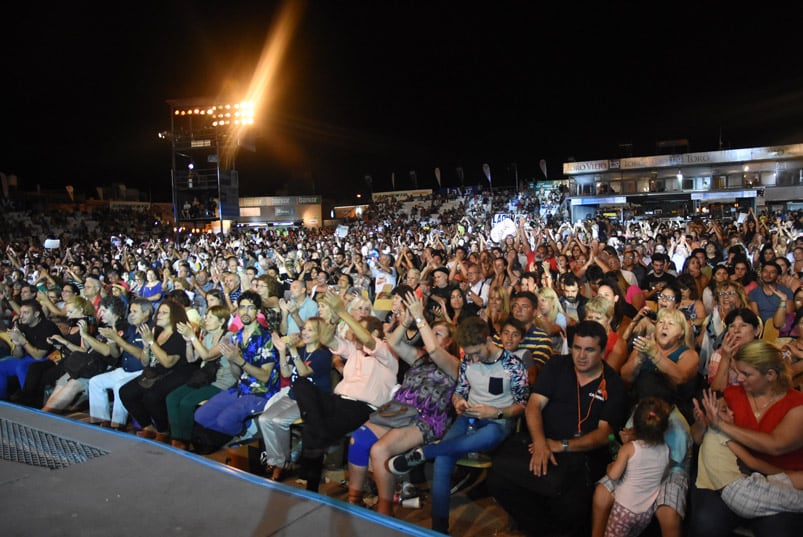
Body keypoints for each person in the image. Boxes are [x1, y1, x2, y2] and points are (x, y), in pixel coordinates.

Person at [388, 314, 528, 533]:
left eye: (476, 353)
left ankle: (426, 452)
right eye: (468, 354)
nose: (472, 359)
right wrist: (459, 401)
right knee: (444, 460)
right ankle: (439, 528)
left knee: (489, 436)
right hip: (469, 416)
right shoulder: (468, 362)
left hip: (498, 421)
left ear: (488, 341)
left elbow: (522, 405)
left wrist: (497, 412)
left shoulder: (513, 365)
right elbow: (460, 390)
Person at [486, 320, 627, 537]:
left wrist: (560, 446)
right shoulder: (557, 365)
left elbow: (603, 435)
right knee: (498, 479)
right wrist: (541, 443)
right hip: (542, 443)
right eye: (577, 347)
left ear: (601, 352)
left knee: (570, 504)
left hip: (582, 456)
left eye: (589, 350)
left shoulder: (613, 384)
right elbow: (533, 405)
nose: (580, 355)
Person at [346, 293, 460, 517]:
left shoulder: (455, 365)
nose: (431, 336)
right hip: (399, 412)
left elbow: (436, 352)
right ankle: (354, 501)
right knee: (358, 440)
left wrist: (420, 319)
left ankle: (384, 510)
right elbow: (394, 341)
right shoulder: (419, 358)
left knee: (380, 451)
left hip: (425, 418)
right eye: (431, 332)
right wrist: (407, 320)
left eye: (438, 334)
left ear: (449, 342)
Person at [689, 341, 803, 536]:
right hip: (737, 475)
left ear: (770, 375)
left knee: (777, 531)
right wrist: (702, 422)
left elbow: (776, 445)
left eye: (747, 374)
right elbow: (698, 438)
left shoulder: (797, 405)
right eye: (737, 372)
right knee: (706, 522)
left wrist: (722, 425)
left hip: (782, 479)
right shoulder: (733, 395)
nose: (739, 379)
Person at [292, 290, 398, 493]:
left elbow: (367, 340)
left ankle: (311, 486)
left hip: (362, 407)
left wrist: (342, 311)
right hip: (337, 400)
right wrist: (332, 316)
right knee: (301, 384)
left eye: (360, 330)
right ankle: (318, 427)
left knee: (312, 431)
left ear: (375, 333)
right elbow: (328, 339)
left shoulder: (387, 355)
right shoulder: (354, 350)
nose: (354, 335)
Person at [193, 291, 280, 446]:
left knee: (225, 420)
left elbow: (265, 376)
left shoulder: (265, 338)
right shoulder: (236, 337)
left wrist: (239, 361)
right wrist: (233, 361)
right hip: (240, 387)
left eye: (250, 308)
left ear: (258, 311)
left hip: (262, 392)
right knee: (201, 416)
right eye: (242, 307)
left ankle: (248, 433)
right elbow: (237, 374)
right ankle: (244, 430)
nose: (245, 312)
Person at [257, 317, 333, 480]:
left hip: (312, 399)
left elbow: (304, 372)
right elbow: (286, 373)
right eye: (304, 329)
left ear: (320, 334)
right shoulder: (301, 351)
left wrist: (292, 351)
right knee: (264, 419)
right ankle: (279, 460)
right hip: (294, 395)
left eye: (310, 330)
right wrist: (282, 352)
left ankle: (281, 464)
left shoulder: (323, 355)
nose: (304, 332)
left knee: (279, 421)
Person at [591, 397, 670, 537]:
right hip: (646, 513)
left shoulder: (629, 449)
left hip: (624, 509)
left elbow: (614, 475)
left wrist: (610, 466)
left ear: (635, 425)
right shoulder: (665, 450)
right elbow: (662, 474)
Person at [119, 300, 194, 442]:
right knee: (126, 392)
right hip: (156, 372)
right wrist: (146, 347)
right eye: (159, 312)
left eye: (164, 313)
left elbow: (167, 362)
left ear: (175, 316)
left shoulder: (179, 335)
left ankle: (164, 430)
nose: (159, 315)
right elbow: (145, 362)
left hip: (178, 373)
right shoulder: (156, 331)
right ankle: (148, 427)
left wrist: (152, 343)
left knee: (151, 396)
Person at [165, 304, 234, 450]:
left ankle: (186, 439)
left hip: (221, 382)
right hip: (205, 378)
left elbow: (207, 356)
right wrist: (189, 342)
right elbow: (192, 358)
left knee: (187, 402)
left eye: (210, 318)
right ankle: (177, 438)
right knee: (172, 398)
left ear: (221, 321)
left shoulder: (228, 337)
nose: (206, 320)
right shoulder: (207, 336)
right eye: (206, 316)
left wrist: (193, 336)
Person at [42, 296, 126, 413]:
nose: (100, 314)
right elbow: (86, 349)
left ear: (115, 311)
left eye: (104, 311)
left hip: (102, 368)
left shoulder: (122, 328)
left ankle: (45, 415)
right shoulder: (103, 326)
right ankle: (44, 413)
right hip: (87, 363)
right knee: (62, 380)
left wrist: (85, 335)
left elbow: (107, 351)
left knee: (73, 384)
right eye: (99, 310)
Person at [88, 298, 153, 430]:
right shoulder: (130, 329)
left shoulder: (150, 329)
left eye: (135, 311)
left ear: (146, 313)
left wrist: (117, 339)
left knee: (119, 386)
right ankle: (100, 421)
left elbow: (142, 356)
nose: (131, 314)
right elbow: (116, 354)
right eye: (130, 311)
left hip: (142, 371)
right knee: (95, 381)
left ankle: (118, 424)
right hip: (125, 370)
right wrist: (112, 341)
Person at [0, 299, 60, 401]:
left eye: (26, 313)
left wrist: (22, 340)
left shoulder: (48, 326)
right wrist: (18, 345)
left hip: (50, 359)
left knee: (21, 367)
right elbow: (18, 356)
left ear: (36, 314)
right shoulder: (22, 325)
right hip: (28, 358)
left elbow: (39, 356)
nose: (21, 316)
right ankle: (3, 402)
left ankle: (29, 402)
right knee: (2, 365)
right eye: (21, 312)